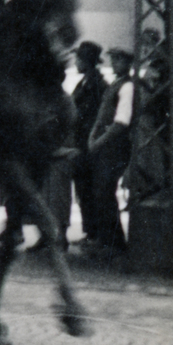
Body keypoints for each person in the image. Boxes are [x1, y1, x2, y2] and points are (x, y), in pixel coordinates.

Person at [85, 47, 136, 252]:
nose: (115, 63)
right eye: (113, 59)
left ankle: (114, 241)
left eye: (119, 59)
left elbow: (121, 122)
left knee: (105, 191)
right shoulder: (114, 85)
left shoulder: (127, 87)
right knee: (101, 192)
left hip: (115, 146)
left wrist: (99, 141)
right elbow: (101, 117)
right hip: (104, 145)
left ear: (129, 63)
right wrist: (93, 136)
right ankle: (107, 239)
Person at [68, 40, 108, 246]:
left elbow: (93, 116)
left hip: (89, 144)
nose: (76, 62)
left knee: (89, 189)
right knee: (83, 189)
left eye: (79, 59)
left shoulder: (97, 86)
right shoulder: (85, 83)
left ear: (87, 61)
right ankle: (90, 231)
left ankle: (95, 233)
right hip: (81, 142)